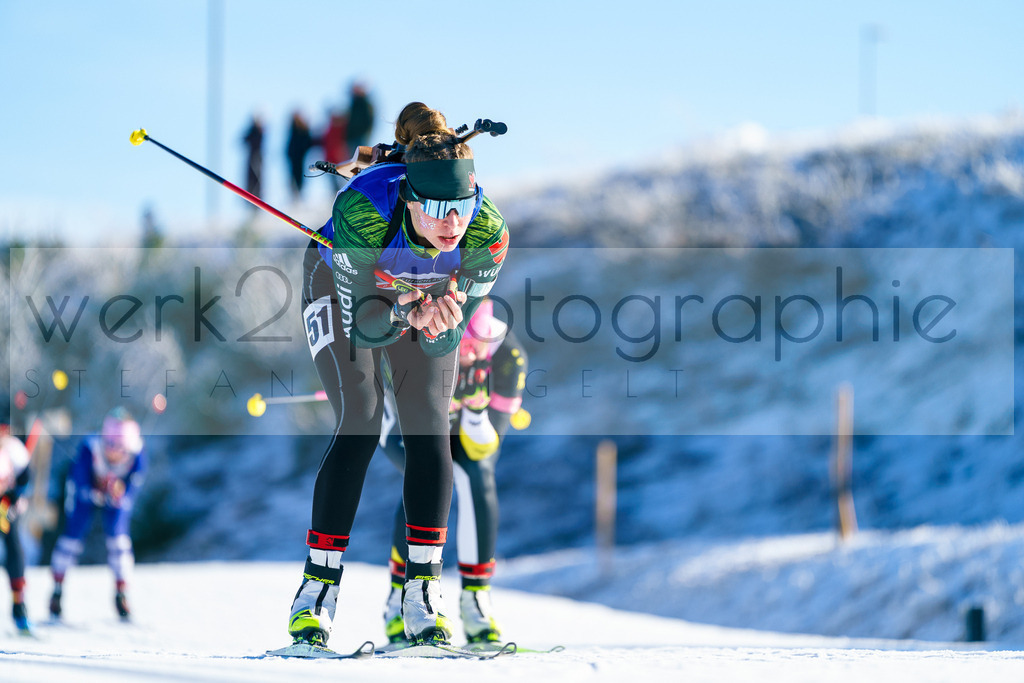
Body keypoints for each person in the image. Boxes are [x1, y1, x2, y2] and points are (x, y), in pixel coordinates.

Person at [289, 101, 510, 649]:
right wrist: (402, 312)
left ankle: (422, 594)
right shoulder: (362, 208)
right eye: (435, 206)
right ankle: (316, 593)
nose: (451, 222)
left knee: (431, 427)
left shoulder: (489, 232)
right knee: (361, 421)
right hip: (343, 283)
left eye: (462, 204)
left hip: (423, 292)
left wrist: (435, 321)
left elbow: (446, 334)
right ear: (409, 195)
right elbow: (364, 324)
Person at [379, 298, 528, 644]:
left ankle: (476, 600)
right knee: (426, 473)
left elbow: (486, 448)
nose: (470, 355)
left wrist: (475, 409)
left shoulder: (508, 358)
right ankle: (398, 598)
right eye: (463, 344)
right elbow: (401, 432)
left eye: (480, 345)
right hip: (410, 427)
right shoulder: (418, 344)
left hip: (468, 433)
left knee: (477, 474)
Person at [48, 408, 147, 621]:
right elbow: (79, 480)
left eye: (120, 448)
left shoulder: (137, 455)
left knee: (119, 537)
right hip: (86, 496)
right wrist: (95, 491)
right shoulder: (89, 448)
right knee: (73, 534)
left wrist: (120, 494)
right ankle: (57, 589)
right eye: (110, 445)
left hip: (113, 500)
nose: (114, 452)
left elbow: (132, 489)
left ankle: (122, 592)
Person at [1, 426, 32, 633]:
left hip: (5, 504)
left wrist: (16, 498)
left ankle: (19, 606)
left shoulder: (13, 450)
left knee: (14, 549)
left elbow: (26, 477)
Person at [286, 109, 316, 201]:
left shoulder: (304, 129)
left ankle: (299, 193)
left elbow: (308, 142)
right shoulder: (292, 129)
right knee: (293, 176)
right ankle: (294, 195)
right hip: (293, 157)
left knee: (300, 175)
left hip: (301, 157)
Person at [241, 114, 265, 202]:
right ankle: (250, 199)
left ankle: (258, 199)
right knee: (251, 179)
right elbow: (244, 140)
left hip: (258, 157)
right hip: (252, 157)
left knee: (258, 179)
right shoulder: (252, 130)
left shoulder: (261, 131)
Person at [345, 82, 375, 151]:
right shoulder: (354, 103)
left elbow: (369, 120)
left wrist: (364, 132)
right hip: (352, 136)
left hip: (361, 136)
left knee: (361, 156)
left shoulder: (365, 103)